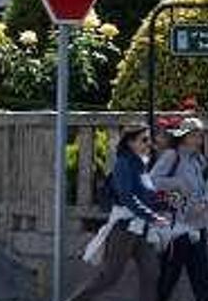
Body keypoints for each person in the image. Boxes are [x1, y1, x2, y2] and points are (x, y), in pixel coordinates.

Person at [71, 123, 170, 301]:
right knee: (109, 278)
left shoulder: (141, 165)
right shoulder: (124, 164)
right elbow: (128, 198)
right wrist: (153, 217)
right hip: (124, 229)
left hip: (141, 229)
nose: (149, 144)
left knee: (151, 274)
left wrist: (168, 201)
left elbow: (147, 196)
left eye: (149, 140)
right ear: (130, 143)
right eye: (144, 140)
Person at [152, 117, 208, 301]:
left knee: (203, 282)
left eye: (201, 135)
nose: (199, 139)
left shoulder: (199, 160)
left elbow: (207, 185)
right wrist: (177, 183)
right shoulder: (172, 156)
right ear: (185, 137)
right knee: (166, 281)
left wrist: (204, 202)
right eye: (195, 135)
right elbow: (152, 181)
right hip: (176, 230)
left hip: (197, 227)